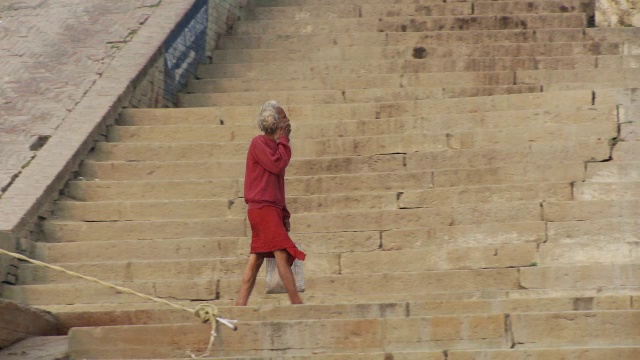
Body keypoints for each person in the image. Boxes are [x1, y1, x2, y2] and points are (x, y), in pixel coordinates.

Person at [235, 100, 306, 306]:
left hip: (271, 208)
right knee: (281, 254)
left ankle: (240, 305)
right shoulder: (259, 143)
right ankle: (296, 303)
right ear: (274, 123)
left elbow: (278, 184)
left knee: (256, 259)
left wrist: (284, 213)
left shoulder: (276, 147)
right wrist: (285, 140)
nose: (288, 121)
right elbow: (277, 165)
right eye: (284, 117)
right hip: (262, 208)